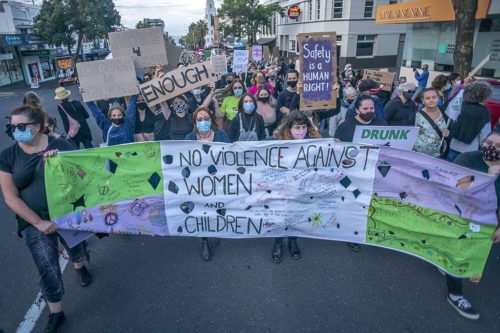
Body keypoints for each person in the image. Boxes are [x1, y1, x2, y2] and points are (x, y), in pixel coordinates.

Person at [0, 105, 92, 333]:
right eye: (12, 127)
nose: (16, 130)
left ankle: (80, 265)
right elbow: (11, 197)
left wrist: (60, 163)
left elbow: (84, 176)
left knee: (76, 248)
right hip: (35, 223)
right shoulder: (7, 156)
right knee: (47, 267)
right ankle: (56, 312)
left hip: (68, 215)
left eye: (21, 126)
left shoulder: (59, 145)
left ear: (38, 126)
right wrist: (39, 223)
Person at [444, 130, 500, 320]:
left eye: (498, 147)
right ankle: (455, 295)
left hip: (486, 222)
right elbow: (455, 189)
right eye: (489, 142)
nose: (491, 148)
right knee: (457, 256)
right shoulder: (467, 159)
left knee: (470, 255)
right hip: (460, 215)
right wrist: (485, 178)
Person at [271, 111, 322, 263]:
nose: (300, 131)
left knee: (297, 215)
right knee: (281, 216)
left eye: (303, 127)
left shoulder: (314, 141)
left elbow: (327, 153)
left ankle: (293, 242)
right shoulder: (278, 141)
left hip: (303, 188)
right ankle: (278, 242)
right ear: (289, 128)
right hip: (283, 188)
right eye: (297, 128)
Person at [185, 107, 230, 260]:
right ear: (195, 122)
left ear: (211, 121)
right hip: (198, 183)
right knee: (201, 211)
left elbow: (229, 156)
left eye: (206, 119)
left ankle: (215, 230)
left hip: (218, 181)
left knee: (217, 208)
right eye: (199, 119)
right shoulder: (189, 138)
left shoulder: (221, 135)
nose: (203, 122)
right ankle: (204, 240)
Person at [448, 81, 493, 161]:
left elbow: (451, 123)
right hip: (470, 150)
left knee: (448, 170)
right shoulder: (484, 112)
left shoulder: (459, 106)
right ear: (484, 95)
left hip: (453, 145)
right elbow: (485, 135)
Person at [409, 88, 450, 158]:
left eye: (434, 97)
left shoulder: (446, 114)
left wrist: (448, 133)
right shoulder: (415, 116)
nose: (431, 100)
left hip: (438, 157)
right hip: (418, 156)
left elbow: (450, 130)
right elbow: (409, 135)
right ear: (422, 101)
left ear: (438, 98)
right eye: (427, 98)